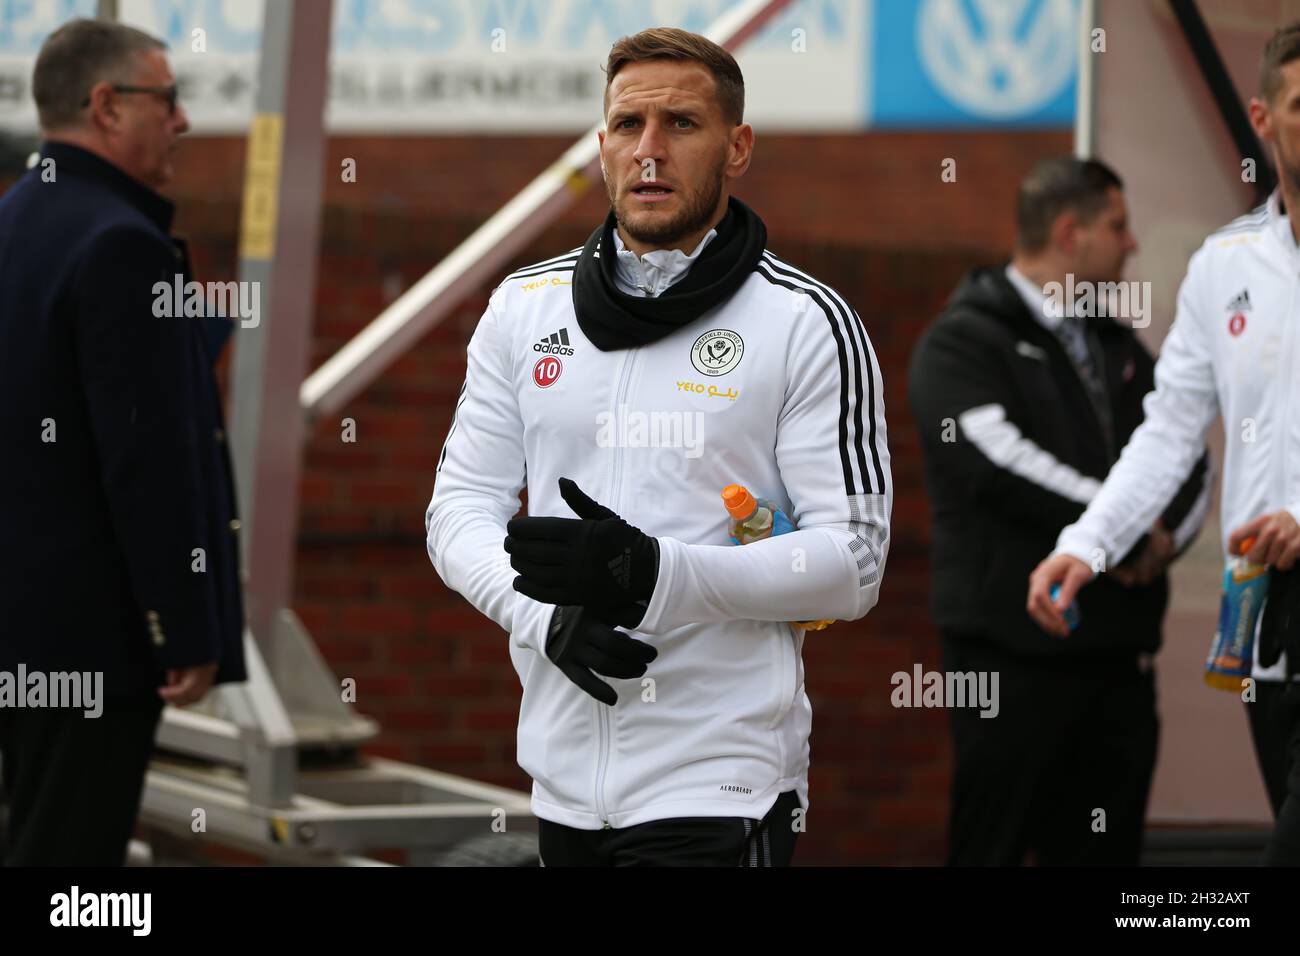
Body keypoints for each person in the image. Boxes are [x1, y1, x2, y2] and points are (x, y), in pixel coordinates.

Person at [426, 27, 891, 867]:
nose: (649, 151)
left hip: (723, 783)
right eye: (627, 126)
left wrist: (658, 576)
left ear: (736, 146)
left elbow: (854, 562)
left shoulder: (806, 322)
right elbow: (457, 509)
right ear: (601, 144)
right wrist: (542, 615)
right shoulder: (522, 310)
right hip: (562, 780)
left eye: (681, 124)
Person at [1030, 22, 1300, 867]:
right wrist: (1089, 543)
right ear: (1263, 118)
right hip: (1269, 611)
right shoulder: (1225, 266)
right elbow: (1171, 429)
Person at [909, 157, 1211, 865]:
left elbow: (1188, 450)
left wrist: (1160, 539)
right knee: (996, 851)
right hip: (1011, 659)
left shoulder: (1120, 347)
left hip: (1119, 662)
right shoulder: (963, 338)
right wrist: (1115, 533)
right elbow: (994, 458)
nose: (1132, 243)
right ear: (1070, 233)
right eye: (1118, 225)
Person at [0, 18, 246, 865]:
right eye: (168, 100)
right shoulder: (122, 245)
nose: (182, 122)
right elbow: (148, 461)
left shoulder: (15, 221)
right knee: (75, 864)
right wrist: (180, 625)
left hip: (21, 633)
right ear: (107, 106)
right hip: (90, 642)